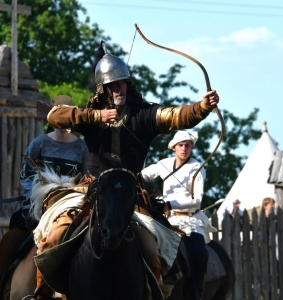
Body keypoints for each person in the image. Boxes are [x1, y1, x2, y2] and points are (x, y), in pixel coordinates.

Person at [34, 42, 220, 298]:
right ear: (103, 89)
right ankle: (40, 293)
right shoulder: (92, 115)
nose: (118, 88)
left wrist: (202, 107)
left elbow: (178, 116)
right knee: (54, 235)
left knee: (156, 248)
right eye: (112, 84)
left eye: (122, 82)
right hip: (90, 189)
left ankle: (152, 294)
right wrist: (95, 117)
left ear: (128, 84)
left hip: (133, 197)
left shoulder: (144, 115)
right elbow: (54, 117)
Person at [141, 130, 217, 299]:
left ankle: (195, 295)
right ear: (174, 147)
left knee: (199, 253)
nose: (184, 148)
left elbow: (196, 200)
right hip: (166, 219)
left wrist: (169, 203)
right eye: (180, 145)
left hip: (190, 220)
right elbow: (143, 175)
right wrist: (153, 195)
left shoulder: (197, 167)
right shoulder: (164, 164)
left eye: (187, 146)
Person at [9, 95, 88, 233]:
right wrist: (36, 196)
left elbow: (86, 178)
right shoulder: (39, 143)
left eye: (67, 117)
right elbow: (26, 174)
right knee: (17, 230)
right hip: (39, 205)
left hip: (71, 205)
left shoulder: (82, 147)